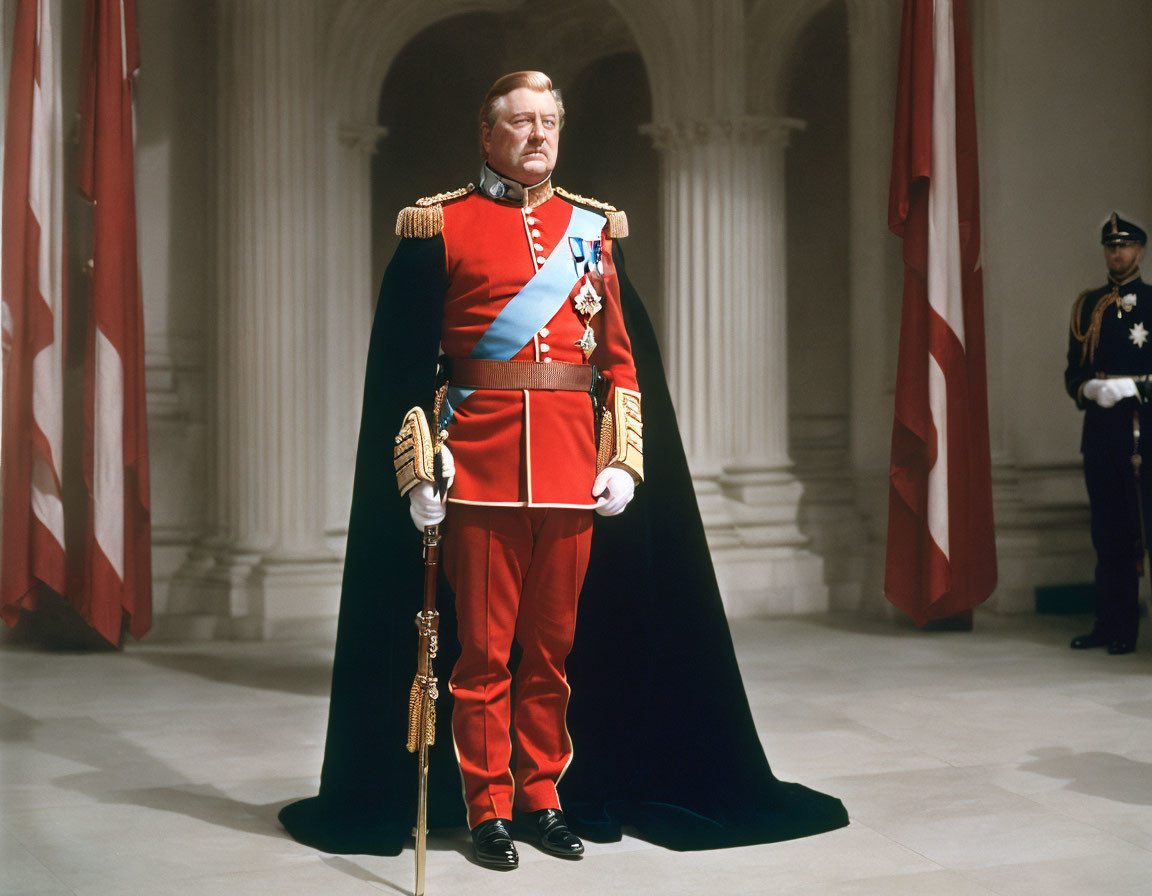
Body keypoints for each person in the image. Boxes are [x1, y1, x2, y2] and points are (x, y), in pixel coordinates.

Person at [278, 71, 847, 868]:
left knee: (550, 654)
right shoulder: (440, 225)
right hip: (478, 473)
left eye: (549, 121)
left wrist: (622, 459)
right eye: (520, 122)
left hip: (570, 474)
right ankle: (487, 809)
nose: (538, 135)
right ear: (487, 135)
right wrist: (418, 474)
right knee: (480, 659)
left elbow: (618, 364)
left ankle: (541, 796)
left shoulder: (591, 229)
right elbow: (407, 373)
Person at [1066, 212, 1151, 655]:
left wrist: (1135, 386)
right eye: (1110, 245)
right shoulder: (1087, 304)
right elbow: (1071, 373)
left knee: (1143, 532)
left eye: (1125, 245)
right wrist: (1089, 387)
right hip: (1100, 432)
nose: (1116, 253)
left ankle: (1132, 630)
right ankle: (1110, 623)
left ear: (1140, 249)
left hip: (1143, 435)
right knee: (1107, 533)